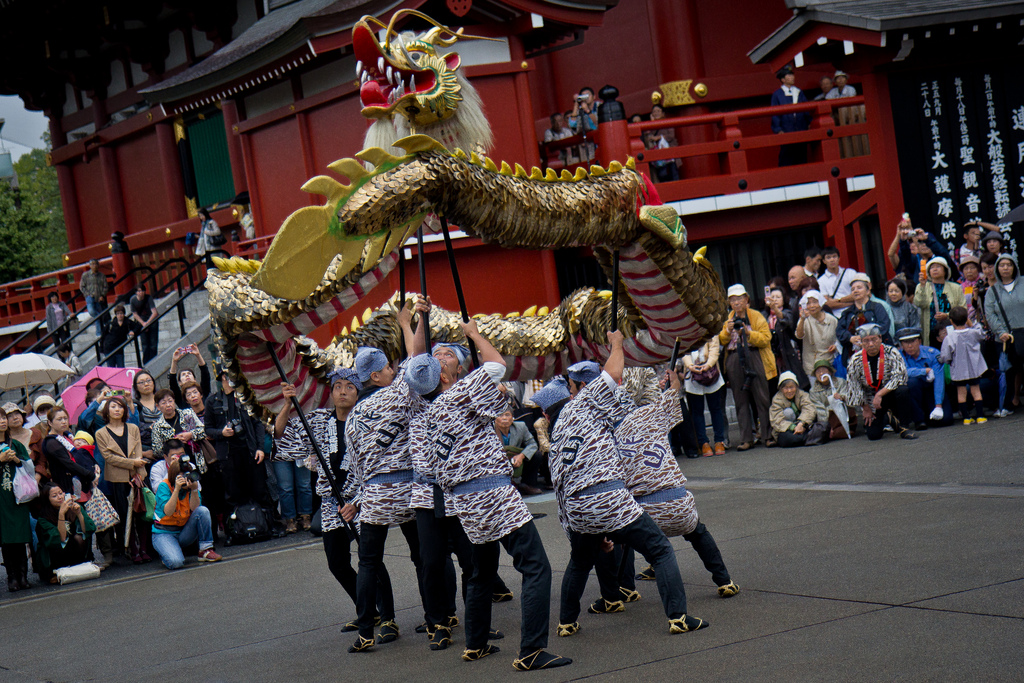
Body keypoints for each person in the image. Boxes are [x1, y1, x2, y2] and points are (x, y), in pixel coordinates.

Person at [414, 319, 571, 671]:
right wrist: (473, 335)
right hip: (491, 491)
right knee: (535, 566)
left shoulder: (427, 414)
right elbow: (497, 365)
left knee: (482, 572)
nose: (447, 359)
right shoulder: (456, 394)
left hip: (464, 499)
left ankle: (476, 642)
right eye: (441, 358)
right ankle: (531, 650)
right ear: (440, 375)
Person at [549, 333, 708, 645]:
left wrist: (577, 526)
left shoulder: (562, 423)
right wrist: (617, 342)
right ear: (585, 387)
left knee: (580, 560)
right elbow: (614, 373)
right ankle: (678, 617)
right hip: (608, 496)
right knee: (660, 549)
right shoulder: (587, 401)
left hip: (576, 505)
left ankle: (566, 622)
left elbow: (557, 482)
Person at [276, 369, 393, 633]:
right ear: (331, 392)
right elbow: (282, 438)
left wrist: (359, 502)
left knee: (371, 560)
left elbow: (379, 466)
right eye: (337, 386)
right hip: (332, 502)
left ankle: (388, 618)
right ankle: (367, 611)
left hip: (363, 500)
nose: (342, 391)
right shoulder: (318, 421)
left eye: (349, 387)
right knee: (337, 562)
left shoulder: (367, 423)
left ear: (357, 392)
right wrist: (286, 405)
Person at [609, 368, 738, 598]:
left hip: (644, 513)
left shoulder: (613, 427)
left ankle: (625, 588)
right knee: (697, 531)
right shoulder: (657, 413)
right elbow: (674, 391)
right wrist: (674, 377)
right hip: (679, 502)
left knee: (621, 534)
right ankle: (724, 580)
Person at [719, 284, 776, 450]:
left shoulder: (756, 316)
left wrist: (749, 332)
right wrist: (727, 331)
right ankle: (746, 438)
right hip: (735, 357)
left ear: (746, 299)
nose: (737, 303)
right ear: (729, 302)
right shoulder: (728, 319)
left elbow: (766, 338)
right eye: (733, 300)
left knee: (762, 397)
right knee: (740, 399)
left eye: (740, 299)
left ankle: (768, 435)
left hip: (755, 354)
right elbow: (722, 341)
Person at [840, 324, 917, 441]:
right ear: (861, 342)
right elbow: (853, 386)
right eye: (866, 341)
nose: (870, 344)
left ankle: (904, 427)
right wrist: (865, 408)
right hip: (871, 400)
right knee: (873, 435)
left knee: (903, 389)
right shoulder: (855, 360)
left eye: (874, 339)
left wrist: (880, 394)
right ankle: (888, 418)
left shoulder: (892, 352)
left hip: (889, 393)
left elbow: (900, 376)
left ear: (880, 338)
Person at [151, 444, 222, 569]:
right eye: (182, 476)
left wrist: (194, 490)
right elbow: (168, 511)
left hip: (183, 531)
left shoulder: (190, 486)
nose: (185, 479)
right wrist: (176, 490)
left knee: (203, 510)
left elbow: (196, 510)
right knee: (176, 562)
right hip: (164, 533)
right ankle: (166, 552)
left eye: (186, 475)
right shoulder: (164, 486)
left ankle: (205, 550)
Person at [205, 369, 269, 508]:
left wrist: (260, 448)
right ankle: (238, 526)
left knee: (259, 490)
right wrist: (222, 433)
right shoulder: (212, 400)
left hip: (250, 451)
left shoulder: (246, 396)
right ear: (223, 377)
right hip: (228, 455)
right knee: (233, 493)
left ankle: (267, 522)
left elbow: (258, 423)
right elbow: (208, 429)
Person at [93, 395, 146, 560]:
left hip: (137, 475)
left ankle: (144, 548)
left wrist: (138, 469)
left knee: (142, 512)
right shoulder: (101, 433)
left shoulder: (132, 428)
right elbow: (109, 458)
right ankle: (132, 548)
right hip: (117, 478)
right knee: (124, 513)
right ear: (106, 411)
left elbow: (138, 449)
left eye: (120, 407)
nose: (117, 410)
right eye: (113, 407)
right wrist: (132, 463)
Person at [983, 253, 1024, 410]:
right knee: (1010, 370)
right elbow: (990, 314)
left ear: (1014, 267)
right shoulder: (992, 291)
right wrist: (1000, 331)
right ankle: (1009, 402)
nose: (1005, 268)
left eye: (1009, 264)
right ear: (997, 269)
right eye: (1002, 265)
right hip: (1007, 337)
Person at [35, 482, 96, 582]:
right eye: (54, 496)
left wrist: (79, 514)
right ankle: (55, 573)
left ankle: (80, 565)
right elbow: (60, 539)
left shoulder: (73, 507)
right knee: (61, 543)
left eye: (61, 493)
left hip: (74, 550)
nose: (60, 497)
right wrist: (61, 514)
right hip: (56, 555)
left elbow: (88, 531)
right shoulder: (44, 518)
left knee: (79, 537)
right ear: (47, 499)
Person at [0, 410, 33, 592]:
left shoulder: (16, 444)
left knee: (20, 535)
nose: (2, 421)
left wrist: (17, 461)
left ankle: (23, 576)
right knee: (6, 537)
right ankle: (11, 577)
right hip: (1, 498)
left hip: (17, 495)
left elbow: (29, 467)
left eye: (3, 418)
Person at [939, 307, 989, 425]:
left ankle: (966, 418)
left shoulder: (950, 337)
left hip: (958, 369)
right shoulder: (973, 332)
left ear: (951, 321)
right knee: (976, 390)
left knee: (961, 392)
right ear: (966, 319)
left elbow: (945, 355)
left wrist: (950, 361)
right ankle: (980, 416)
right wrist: (972, 324)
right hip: (974, 367)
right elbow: (982, 334)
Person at [681, 337, 727, 456]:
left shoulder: (710, 328)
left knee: (716, 409)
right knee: (697, 411)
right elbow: (683, 350)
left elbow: (714, 348)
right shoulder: (687, 330)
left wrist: (709, 364)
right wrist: (690, 365)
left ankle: (719, 441)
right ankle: (703, 443)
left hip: (711, 374)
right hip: (693, 376)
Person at [836, 273, 893, 364]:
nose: (855, 291)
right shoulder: (847, 313)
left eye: (859, 288)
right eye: (853, 289)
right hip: (855, 356)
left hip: (879, 354)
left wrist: (866, 338)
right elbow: (839, 331)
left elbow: (884, 326)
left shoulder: (877, 308)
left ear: (867, 290)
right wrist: (850, 338)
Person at [897, 327, 946, 428]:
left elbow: (939, 380)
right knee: (911, 383)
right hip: (914, 391)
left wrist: (938, 405)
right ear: (901, 345)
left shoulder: (933, 354)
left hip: (931, 389)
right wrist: (925, 371)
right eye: (906, 343)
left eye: (912, 341)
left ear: (919, 341)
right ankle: (918, 420)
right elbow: (903, 372)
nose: (910, 346)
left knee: (944, 420)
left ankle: (932, 410)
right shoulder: (899, 356)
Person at [41, 407, 97, 496]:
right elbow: (68, 463)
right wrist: (90, 475)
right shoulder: (51, 443)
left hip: (81, 478)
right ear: (50, 423)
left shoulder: (68, 435)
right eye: (59, 419)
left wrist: (94, 465)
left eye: (65, 418)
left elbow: (82, 453)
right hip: (67, 484)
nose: (64, 422)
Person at [913, 256, 965, 348]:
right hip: (931, 331)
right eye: (932, 267)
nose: (935, 269)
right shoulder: (922, 286)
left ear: (945, 271)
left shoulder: (956, 287)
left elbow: (963, 309)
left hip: (951, 329)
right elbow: (919, 303)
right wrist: (922, 285)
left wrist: (947, 316)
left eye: (938, 267)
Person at [150, 389, 206, 467]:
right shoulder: (157, 426)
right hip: (176, 466)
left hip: (197, 459)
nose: (168, 405)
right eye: (163, 403)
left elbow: (204, 430)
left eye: (170, 401)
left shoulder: (187, 413)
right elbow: (157, 451)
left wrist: (190, 435)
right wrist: (173, 442)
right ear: (158, 406)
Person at [766, 285, 807, 389]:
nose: (775, 299)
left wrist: (775, 308)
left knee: (794, 382)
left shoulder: (788, 312)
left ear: (784, 299)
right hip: (772, 357)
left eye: (778, 297)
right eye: (772, 297)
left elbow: (786, 320)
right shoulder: (764, 316)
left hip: (788, 353)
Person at [769, 371, 825, 447]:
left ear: (796, 387)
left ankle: (804, 438)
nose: (789, 391)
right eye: (786, 388)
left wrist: (801, 424)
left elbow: (809, 409)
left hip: (803, 426)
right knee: (788, 414)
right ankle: (809, 438)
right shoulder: (776, 399)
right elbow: (777, 420)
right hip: (788, 430)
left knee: (824, 426)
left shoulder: (802, 394)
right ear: (781, 389)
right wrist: (794, 427)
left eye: (791, 387)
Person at [495, 408, 541, 497]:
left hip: (515, 459)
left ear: (512, 418)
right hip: (498, 461)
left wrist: (521, 456)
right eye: (500, 415)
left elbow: (532, 444)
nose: (504, 418)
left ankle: (527, 484)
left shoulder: (520, 426)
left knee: (536, 455)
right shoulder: (490, 430)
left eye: (507, 415)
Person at [770, 66, 810, 166]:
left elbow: (806, 109)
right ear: (783, 79)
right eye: (789, 75)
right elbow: (775, 113)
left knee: (802, 156)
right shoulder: (777, 95)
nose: (792, 77)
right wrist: (778, 129)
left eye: (792, 75)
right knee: (787, 157)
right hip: (786, 129)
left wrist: (809, 122)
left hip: (800, 128)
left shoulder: (799, 92)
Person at [795, 290, 838, 380]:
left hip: (829, 361)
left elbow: (838, 339)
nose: (812, 306)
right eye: (808, 303)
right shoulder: (804, 320)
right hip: (811, 364)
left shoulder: (832, 320)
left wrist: (836, 346)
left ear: (821, 303)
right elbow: (799, 335)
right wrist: (802, 319)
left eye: (815, 302)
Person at [807, 361, 856, 440]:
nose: (821, 373)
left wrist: (841, 397)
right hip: (826, 419)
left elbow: (850, 398)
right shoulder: (813, 391)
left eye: (824, 371)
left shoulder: (840, 382)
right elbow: (819, 410)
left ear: (830, 372)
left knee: (845, 431)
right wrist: (828, 425)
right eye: (818, 372)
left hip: (842, 416)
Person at [817, 247, 857, 315]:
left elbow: (856, 295)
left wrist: (837, 300)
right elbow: (828, 304)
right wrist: (851, 302)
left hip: (854, 313)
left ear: (839, 258)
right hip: (835, 316)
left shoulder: (850, 273)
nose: (832, 260)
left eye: (834, 256)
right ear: (824, 261)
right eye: (828, 258)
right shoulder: (821, 281)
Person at [646, 104, 681, 183]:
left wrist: (659, 137)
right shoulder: (650, 124)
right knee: (662, 174)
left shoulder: (668, 122)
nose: (656, 113)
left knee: (673, 173)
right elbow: (649, 136)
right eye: (654, 111)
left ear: (663, 113)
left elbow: (671, 136)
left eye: (658, 111)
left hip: (670, 152)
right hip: (659, 155)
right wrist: (652, 123)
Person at [129, 284, 159, 364]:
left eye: (142, 291)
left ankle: (154, 360)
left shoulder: (148, 298)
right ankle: (146, 362)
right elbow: (134, 314)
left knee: (153, 343)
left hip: (151, 320)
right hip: (142, 321)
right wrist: (143, 323)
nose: (141, 293)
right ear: (136, 292)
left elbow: (154, 312)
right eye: (139, 291)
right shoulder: (133, 300)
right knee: (145, 343)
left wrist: (147, 323)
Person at [79, 258, 109, 336]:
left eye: (95, 264)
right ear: (90, 266)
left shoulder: (101, 275)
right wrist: (87, 294)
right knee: (92, 311)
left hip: (99, 297)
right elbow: (82, 286)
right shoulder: (85, 275)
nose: (94, 266)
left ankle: (100, 333)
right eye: (92, 264)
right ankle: (100, 332)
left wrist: (102, 295)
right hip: (90, 297)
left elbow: (105, 286)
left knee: (99, 314)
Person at [958, 255, 984, 322]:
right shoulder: (960, 287)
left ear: (978, 269)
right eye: (966, 269)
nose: (969, 271)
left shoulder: (983, 283)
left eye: (972, 268)